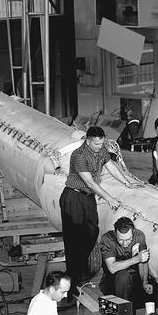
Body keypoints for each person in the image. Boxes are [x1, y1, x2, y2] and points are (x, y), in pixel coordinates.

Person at [62, 126, 124, 294]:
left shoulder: (101, 149)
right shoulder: (79, 155)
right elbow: (89, 182)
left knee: (91, 231)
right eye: (96, 144)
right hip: (73, 197)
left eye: (101, 143)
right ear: (88, 141)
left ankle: (78, 273)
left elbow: (110, 165)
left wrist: (127, 182)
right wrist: (109, 198)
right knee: (74, 240)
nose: (99, 147)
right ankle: (71, 282)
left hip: (87, 197)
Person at [98, 215, 153, 305]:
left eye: (128, 239)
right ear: (115, 233)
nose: (125, 243)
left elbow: (143, 262)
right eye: (121, 240)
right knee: (124, 277)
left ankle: (128, 302)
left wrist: (145, 282)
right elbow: (112, 268)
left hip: (133, 277)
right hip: (114, 280)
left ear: (133, 232)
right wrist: (136, 259)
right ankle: (123, 309)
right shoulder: (106, 239)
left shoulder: (139, 236)